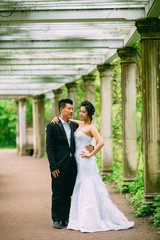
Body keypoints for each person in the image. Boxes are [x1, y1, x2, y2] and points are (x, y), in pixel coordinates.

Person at [65, 100, 134, 232]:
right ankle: (78, 220)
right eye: (80, 111)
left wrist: (91, 154)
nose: (80, 113)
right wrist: (57, 118)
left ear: (89, 113)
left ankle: (89, 221)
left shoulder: (91, 127)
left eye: (83, 112)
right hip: (78, 160)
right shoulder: (80, 124)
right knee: (80, 186)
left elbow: (101, 142)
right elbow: (71, 120)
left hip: (85, 161)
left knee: (86, 186)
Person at [46, 99, 93, 229]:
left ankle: (66, 218)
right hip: (58, 165)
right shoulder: (52, 126)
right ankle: (56, 218)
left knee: (68, 193)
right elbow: (49, 147)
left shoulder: (74, 126)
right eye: (69, 108)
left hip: (73, 165)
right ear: (62, 110)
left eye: (72, 109)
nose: (72, 111)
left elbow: (88, 133)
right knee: (57, 192)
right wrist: (53, 166)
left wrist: (92, 146)